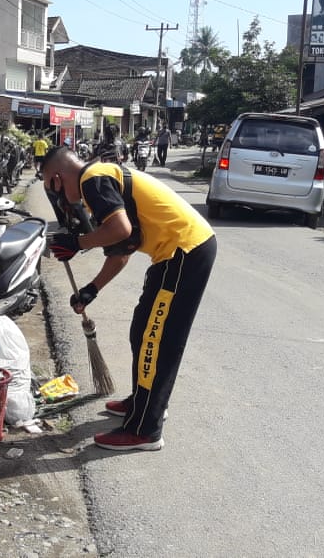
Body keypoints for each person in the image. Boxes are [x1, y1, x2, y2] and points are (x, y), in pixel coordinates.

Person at [42, 146, 216, 451]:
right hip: (175, 254)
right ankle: (144, 400)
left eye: (49, 185)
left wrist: (78, 242)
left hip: (184, 252)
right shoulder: (101, 178)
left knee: (156, 339)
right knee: (142, 330)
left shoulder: (92, 180)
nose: (54, 195)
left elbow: (119, 229)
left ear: (58, 177)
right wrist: (91, 289)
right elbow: (121, 249)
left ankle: (145, 429)